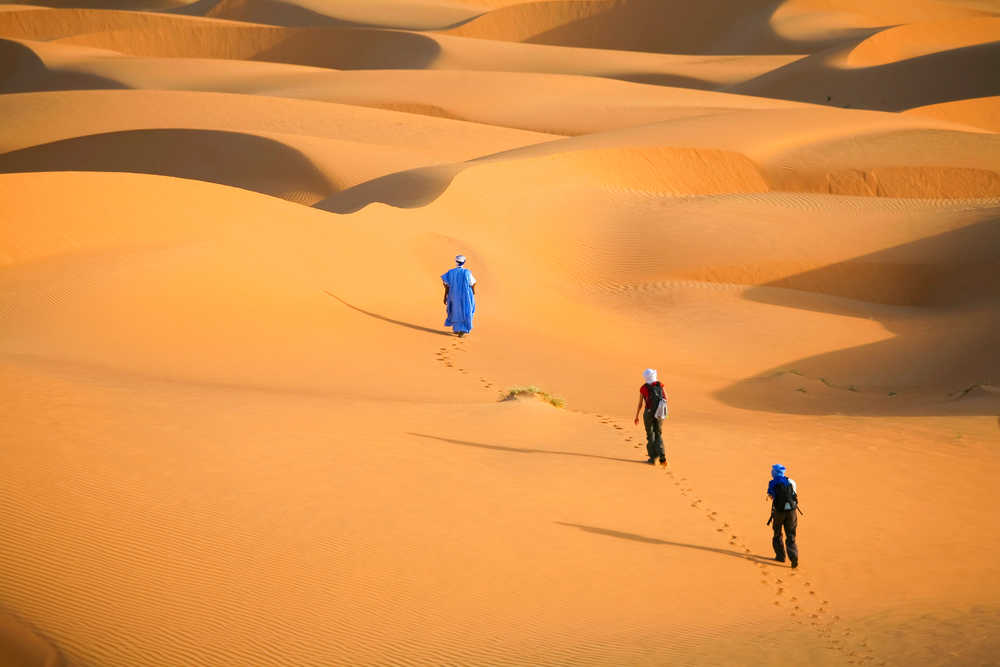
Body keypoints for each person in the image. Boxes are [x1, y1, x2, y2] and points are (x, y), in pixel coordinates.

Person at [767, 464, 799, 568]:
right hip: (791, 512)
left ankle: (780, 556)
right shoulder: (791, 482)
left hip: (779, 512)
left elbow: (771, 496)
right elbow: (794, 494)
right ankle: (793, 557)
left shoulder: (772, 483)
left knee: (777, 533)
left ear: (774, 472)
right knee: (790, 535)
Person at [633, 368, 667, 465]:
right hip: (660, 413)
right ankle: (662, 455)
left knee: (650, 435)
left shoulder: (643, 388)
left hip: (648, 413)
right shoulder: (660, 385)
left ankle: (653, 458)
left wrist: (637, 416)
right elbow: (666, 398)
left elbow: (640, 404)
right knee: (658, 434)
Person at [441, 254, 477, 337]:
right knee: (466, 311)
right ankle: (463, 330)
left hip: (453, 295)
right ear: (464, 262)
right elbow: (473, 283)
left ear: (456, 261)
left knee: (455, 310)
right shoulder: (467, 272)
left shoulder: (450, 272)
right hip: (465, 296)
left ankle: (457, 329)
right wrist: (473, 291)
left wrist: (445, 296)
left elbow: (446, 284)